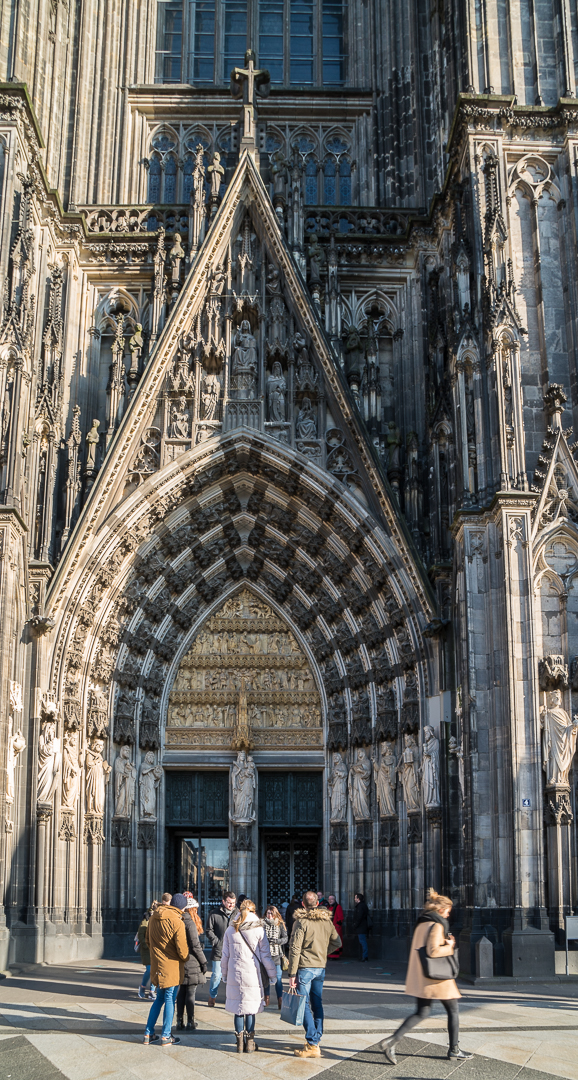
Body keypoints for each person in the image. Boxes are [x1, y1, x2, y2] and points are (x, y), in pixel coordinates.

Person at [380, 889, 473, 1065]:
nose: (448, 915)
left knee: (422, 1011)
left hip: (422, 976)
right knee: (453, 1010)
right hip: (438, 977)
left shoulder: (422, 923)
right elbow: (433, 951)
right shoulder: (437, 925)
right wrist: (450, 946)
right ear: (440, 910)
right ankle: (454, 1049)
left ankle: (392, 1041)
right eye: (447, 912)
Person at [288, 889, 342, 1059]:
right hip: (320, 968)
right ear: (318, 903)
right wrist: (323, 953)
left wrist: (291, 973)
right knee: (316, 1003)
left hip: (304, 968)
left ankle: (312, 1043)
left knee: (303, 1005)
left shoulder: (301, 922)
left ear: (302, 904)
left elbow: (295, 948)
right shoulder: (327, 921)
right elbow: (338, 942)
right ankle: (316, 1039)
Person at [221, 898, 277, 1053]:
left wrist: (224, 974)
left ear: (239, 910)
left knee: (238, 1009)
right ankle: (250, 1043)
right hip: (252, 973)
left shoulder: (231, 928)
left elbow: (224, 955)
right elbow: (265, 956)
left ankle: (239, 1043)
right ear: (253, 911)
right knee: (250, 1008)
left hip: (235, 974)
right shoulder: (259, 929)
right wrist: (273, 976)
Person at [143, 892, 189, 1046]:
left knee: (160, 998)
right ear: (182, 908)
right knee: (169, 998)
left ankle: (148, 1034)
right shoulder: (177, 921)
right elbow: (182, 950)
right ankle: (166, 1036)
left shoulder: (154, 917)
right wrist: (186, 958)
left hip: (157, 964)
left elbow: (147, 940)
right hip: (172, 966)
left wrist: (157, 954)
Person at [176, 893, 207, 1031]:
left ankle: (179, 1021)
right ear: (192, 909)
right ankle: (190, 1022)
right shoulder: (190, 923)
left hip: (180, 961)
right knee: (190, 993)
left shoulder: (179, 920)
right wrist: (204, 962)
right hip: (192, 961)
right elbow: (195, 946)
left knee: (181, 992)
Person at [206, 890, 237, 1006]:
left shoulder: (238, 914)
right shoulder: (214, 913)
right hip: (219, 950)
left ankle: (231, 999)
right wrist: (216, 942)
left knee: (232, 977)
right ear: (223, 902)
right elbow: (209, 930)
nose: (231, 905)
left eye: (233, 903)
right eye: (229, 903)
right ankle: (212, 996)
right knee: (216, 975)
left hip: (234, 951)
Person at [263, 905, 288, 1008]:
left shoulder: (280, 924)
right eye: (268, 913)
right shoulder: (261, 924)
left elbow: (285, 938)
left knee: (278, 978)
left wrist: (277, 941)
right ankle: (266, 998)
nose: (270, 915)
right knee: (266, 978)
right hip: (265, 954)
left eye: (272, 913)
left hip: (277, 954)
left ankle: (280, 1000)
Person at [137, 902, 158, 1000]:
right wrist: (146, 945)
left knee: (156, 970)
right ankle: (142, 987)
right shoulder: (145, 921)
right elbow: (141, 935)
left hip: (156, 950)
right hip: (146, 950)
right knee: (149, 970)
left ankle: (152, 991)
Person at [352, 892, 370, 961]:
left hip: (361, 927)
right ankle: (363, 955)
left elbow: (359, 917)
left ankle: (364, 956)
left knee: (362, 941)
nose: (354, 899)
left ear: (358, 899)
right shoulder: (363, 905)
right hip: (362, 926)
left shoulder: (360, 906)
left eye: (355, 898)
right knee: (362, 941)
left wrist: (355, 924)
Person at [326, 895, 344, 960]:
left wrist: (337, 926)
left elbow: (340, 917)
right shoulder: (328, 907)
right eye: (329, 899)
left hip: (335, 928)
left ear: (334, 900)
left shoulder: (338, 907)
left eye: (331, 899)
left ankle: (334, 956)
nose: (330, 901)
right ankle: (329, 955)